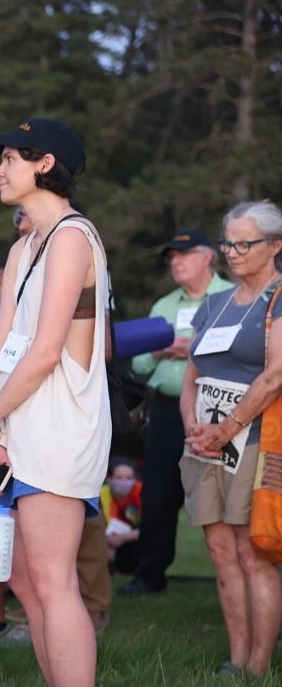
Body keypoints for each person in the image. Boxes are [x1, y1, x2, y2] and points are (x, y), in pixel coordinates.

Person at [0, 118, 110, 687]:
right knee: (24, 579)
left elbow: (47, 351)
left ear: (44, 163)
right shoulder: (23, 246)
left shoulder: (74, 238)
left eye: (8, 159)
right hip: (19, 422)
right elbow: (5, 346)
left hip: (60, 425)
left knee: (54, 581)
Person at [178, 200, 282, 677]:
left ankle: (258, 667)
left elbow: (275, 376)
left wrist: (226, 429)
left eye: (245, 243)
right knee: (221, 553)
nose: (233, 252)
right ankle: (235, 659)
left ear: (275, 246)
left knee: (251, 551)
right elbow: (191, 375)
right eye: (228, 243)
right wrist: (194, 431)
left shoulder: (278, 298)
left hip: (254, 438)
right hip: (205, 443)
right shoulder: (214, 304)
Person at [121, 229, 233, 596]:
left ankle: (233, 575)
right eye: (171, 257)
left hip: (218, 409)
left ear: (207, 257)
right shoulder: (164, 305)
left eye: (183, 254)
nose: (175, 262)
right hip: (167, 410)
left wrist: (195, 350)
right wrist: (157, 351)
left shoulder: (233, 298)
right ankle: (150, 576)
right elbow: (138, 365)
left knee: (224, 494)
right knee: (158, 493)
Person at [103, 457, 142, 574]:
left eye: (129, 478)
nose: (124, 482)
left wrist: (122, 538)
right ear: (108, 479)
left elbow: (150, 529)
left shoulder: (142, 493)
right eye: (119, 478)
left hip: (133, 541)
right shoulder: (101, 496)